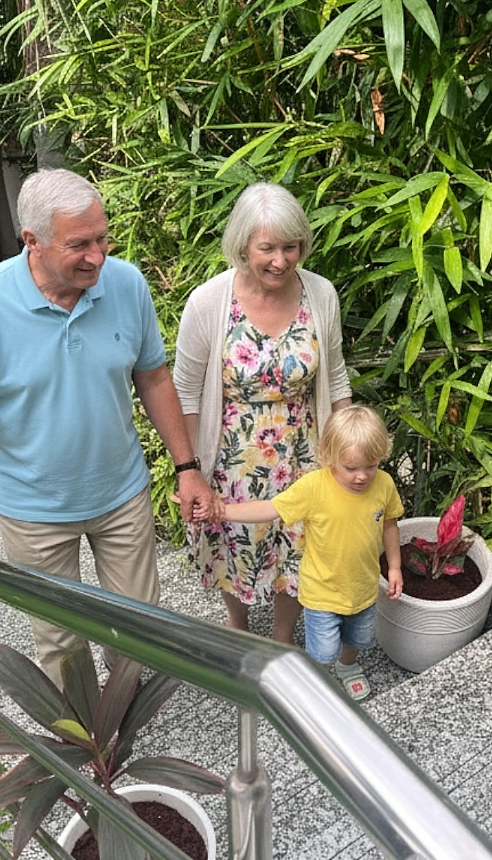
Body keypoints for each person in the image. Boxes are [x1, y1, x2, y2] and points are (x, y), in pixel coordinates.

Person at [0, 168, 213, 681]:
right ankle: (82, 743)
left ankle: (128, 718)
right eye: (79, 245)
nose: (98, 256)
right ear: (33, 242)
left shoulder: (126, 284)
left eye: (102, 238)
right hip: (34, 512)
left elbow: (154, 377)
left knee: (139, 629)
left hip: (122, 496)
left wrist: (188, 466)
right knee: (61, 642)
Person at [173, 182, 352, 643]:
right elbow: (185, 393)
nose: (281, 260)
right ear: (242, 245)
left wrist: (347, 453)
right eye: (267, 248)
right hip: (232, 453)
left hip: (304, 453)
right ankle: (237, 624)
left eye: (290, 247)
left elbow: (335, 381)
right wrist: (191, 469)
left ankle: (282, 634)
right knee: (231, 541)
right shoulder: (209, 302)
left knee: (301, 546)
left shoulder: (321, 294)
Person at [196, 405, 403, 701]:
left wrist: (394, 567)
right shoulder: (314, 487)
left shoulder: (383, 484)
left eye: (370, 466)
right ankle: (319, 679)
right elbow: (270, 508)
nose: (362, 476)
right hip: (321, 592)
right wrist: (223, 511)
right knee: (322, 649)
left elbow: (390, 525)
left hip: (363, 588)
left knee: (358, 638)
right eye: (351, 467)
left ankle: (348, 667)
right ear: (329, 456)